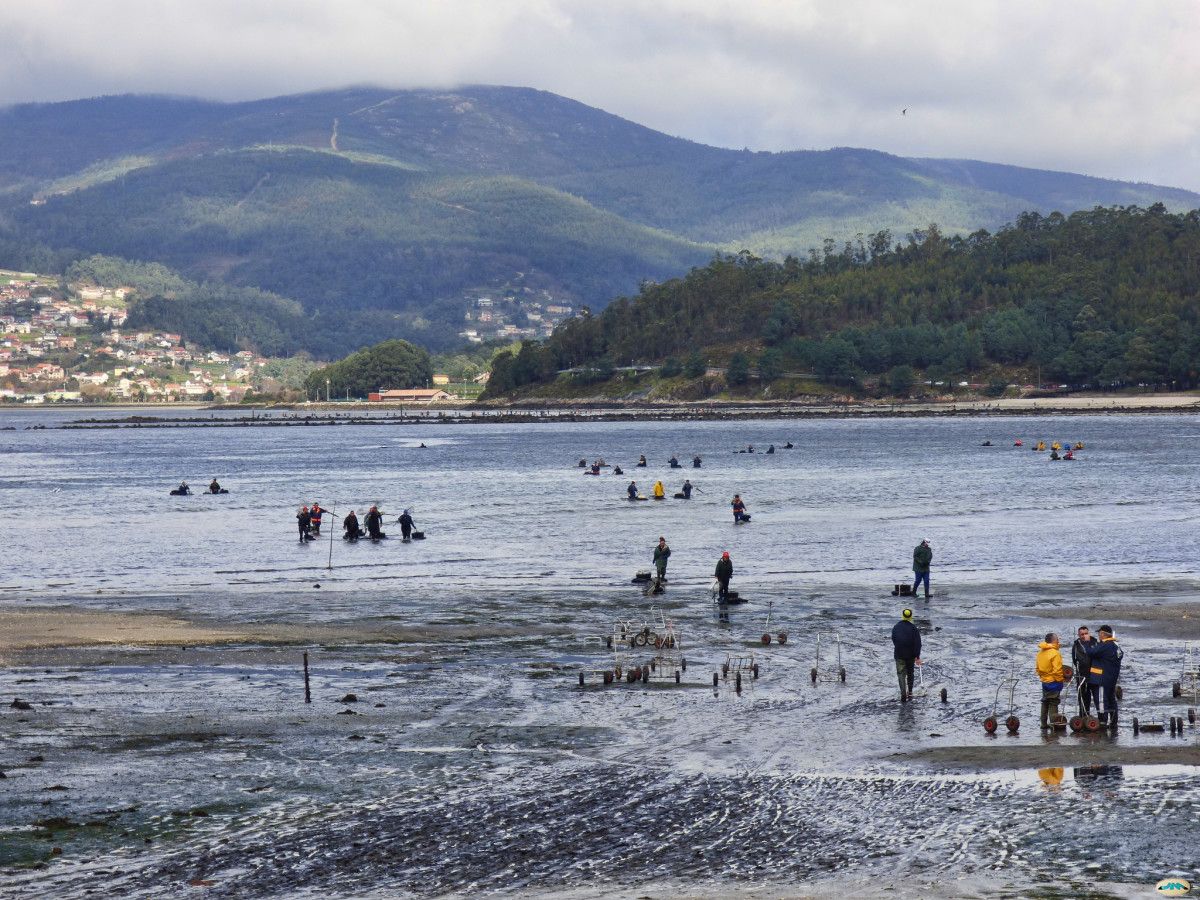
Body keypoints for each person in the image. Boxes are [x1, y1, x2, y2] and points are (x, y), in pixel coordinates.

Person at [1087, 624, 1123, 729]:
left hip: (1101, 679)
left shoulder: (1105, 645)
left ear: (1103, 634)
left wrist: (1089, 643)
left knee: (1102, 701)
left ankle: (1102, 722)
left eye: (1099, 633)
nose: (1098, 635)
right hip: (1112, 680)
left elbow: (1091, 652)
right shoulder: (1116, 646)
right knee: (1112, 700)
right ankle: (1113, 721)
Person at [891, 608, 922, 702]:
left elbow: (894, 639)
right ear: (910, 616)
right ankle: (910, 692)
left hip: (899, 654)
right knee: (910, 673)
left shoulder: (896, 627)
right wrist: (917, 656)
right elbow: (918, 643)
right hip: (911, 655)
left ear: (903, 615)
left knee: (901, 674)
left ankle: (903, 693)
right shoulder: (913, 628)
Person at [1037, 632, 1065, 730]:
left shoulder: (1040, 652)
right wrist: (1060, 680)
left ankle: (1043, 724)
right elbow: (1057, 670)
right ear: (1053, 641)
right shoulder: (1055, 653)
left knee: (1045, 701)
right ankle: (1055, 724)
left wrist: (1043, 677)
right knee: (1053, 702)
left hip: (1044, 681)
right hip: (1054, 682)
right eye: (1057, 639)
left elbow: (1037, 668)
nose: (1058, 641)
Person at [1071, 625, 1098, 715]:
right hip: (1081, 675)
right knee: (1082, 698)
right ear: (1079, 635)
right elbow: (1074, 660)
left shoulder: (1095, 643)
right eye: (1082, 634)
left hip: (1094, 675)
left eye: (1086, 633)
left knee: (1097, 698)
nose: (1084, 635)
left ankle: (1101, 718)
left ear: (1089, 633)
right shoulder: (1076, 645)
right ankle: (1083, 716)